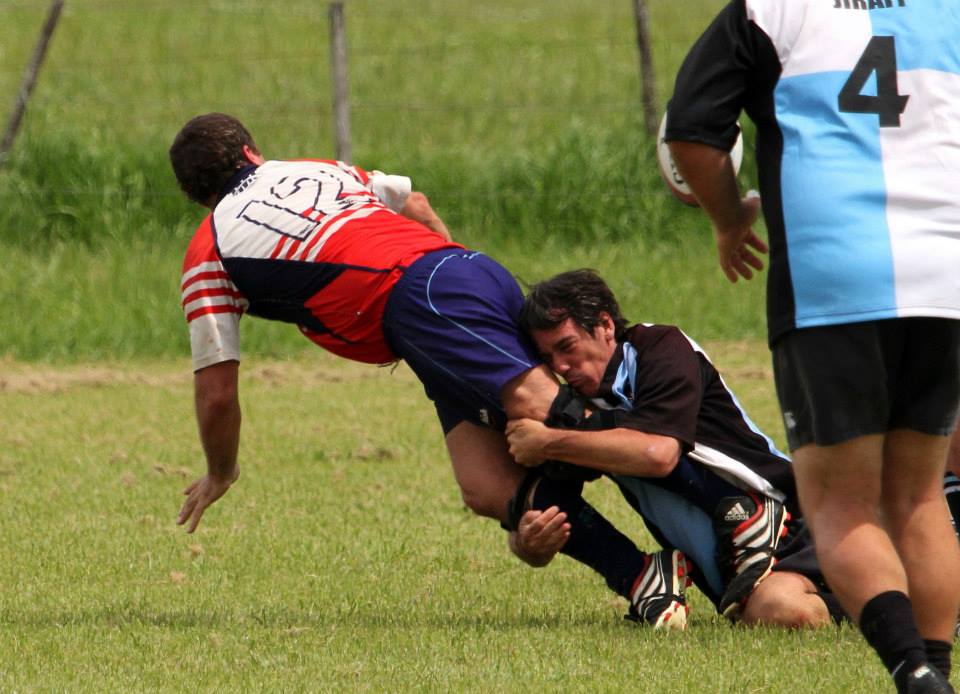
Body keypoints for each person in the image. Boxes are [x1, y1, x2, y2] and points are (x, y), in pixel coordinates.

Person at [169, 113, 692, 629]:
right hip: (444, 290)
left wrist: (220, 471)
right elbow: (414, 203)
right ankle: (644, 576)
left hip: (420, 299)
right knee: (487, 486)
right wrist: (452, 265)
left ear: (194, 197)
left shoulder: (206, 253)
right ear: (251, 153)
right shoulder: (314, 168)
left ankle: (723, 498)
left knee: (548, 414)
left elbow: (217, 394)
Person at [664, 2, 960, 691]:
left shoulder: (769, 8)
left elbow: (690, 133)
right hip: (944, 271)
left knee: (840, 506)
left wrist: (729, 216)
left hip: (834, 274)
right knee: (920, 498)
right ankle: (938, 672)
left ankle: (913, 671)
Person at [506, 269, 842, 628]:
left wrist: (548, 442)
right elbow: (544, 500)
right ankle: (645, 580)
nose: (559, 366)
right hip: (739, 573)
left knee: (786, 607)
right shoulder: (579, 412)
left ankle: (751, 513)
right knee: (768, 612)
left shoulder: (659, 348)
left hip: (796, 521)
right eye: (547, 357)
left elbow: (658, 455)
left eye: (566, 346)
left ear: (605, 325)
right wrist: (527, 542)